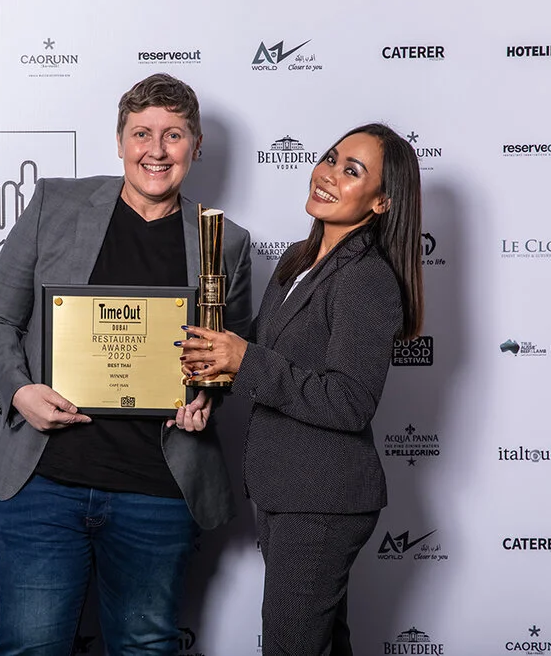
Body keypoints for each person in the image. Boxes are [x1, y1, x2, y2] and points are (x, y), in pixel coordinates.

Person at [0, 73, 252, 655]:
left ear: (196, 146)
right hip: (44, 483)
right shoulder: (55, 204)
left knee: (146, 648)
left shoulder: (224, 241)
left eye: (174, 135)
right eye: (142, 133)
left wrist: (206, 396)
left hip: (157, 489)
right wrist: (20, 392)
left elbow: (228, 357)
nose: (156, 150)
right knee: (29, 647)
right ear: (120, 140)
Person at [179, 123, 423, 656]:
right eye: (331, 159)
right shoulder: (297, 259)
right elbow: (259, 355)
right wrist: (207, 383)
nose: (329, 174)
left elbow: (350, 401)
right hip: (286, 490)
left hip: (323, 498)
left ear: (381, 202)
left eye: (352, 171)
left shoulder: (367, 278)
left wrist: (243, 359)